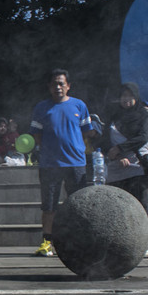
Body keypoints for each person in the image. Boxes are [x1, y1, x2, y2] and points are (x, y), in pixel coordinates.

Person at [28, 69, 93, 255]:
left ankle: (80, 240)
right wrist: (51, 152)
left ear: (68, 86)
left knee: (79, 205)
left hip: (76, 163)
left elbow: (87, 132)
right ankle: (47, 243)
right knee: (49, 206)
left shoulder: (79, 106)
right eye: (54, 84)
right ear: (49, 87)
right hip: (50, 165)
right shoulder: (41, 107)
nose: (58, 87)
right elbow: (37, 135)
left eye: (61, 83)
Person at [102, 83, 148, 217]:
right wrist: (117, 155)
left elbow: (143, 137)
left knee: (140, 206)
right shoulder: (114, 116)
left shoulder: (143, 116)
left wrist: (120, 148)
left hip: (137, 167)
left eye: (130, 95)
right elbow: (104, 140)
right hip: (116, 167)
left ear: (136, 97)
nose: (127, 99)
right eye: (124, 95)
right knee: (117, 208)